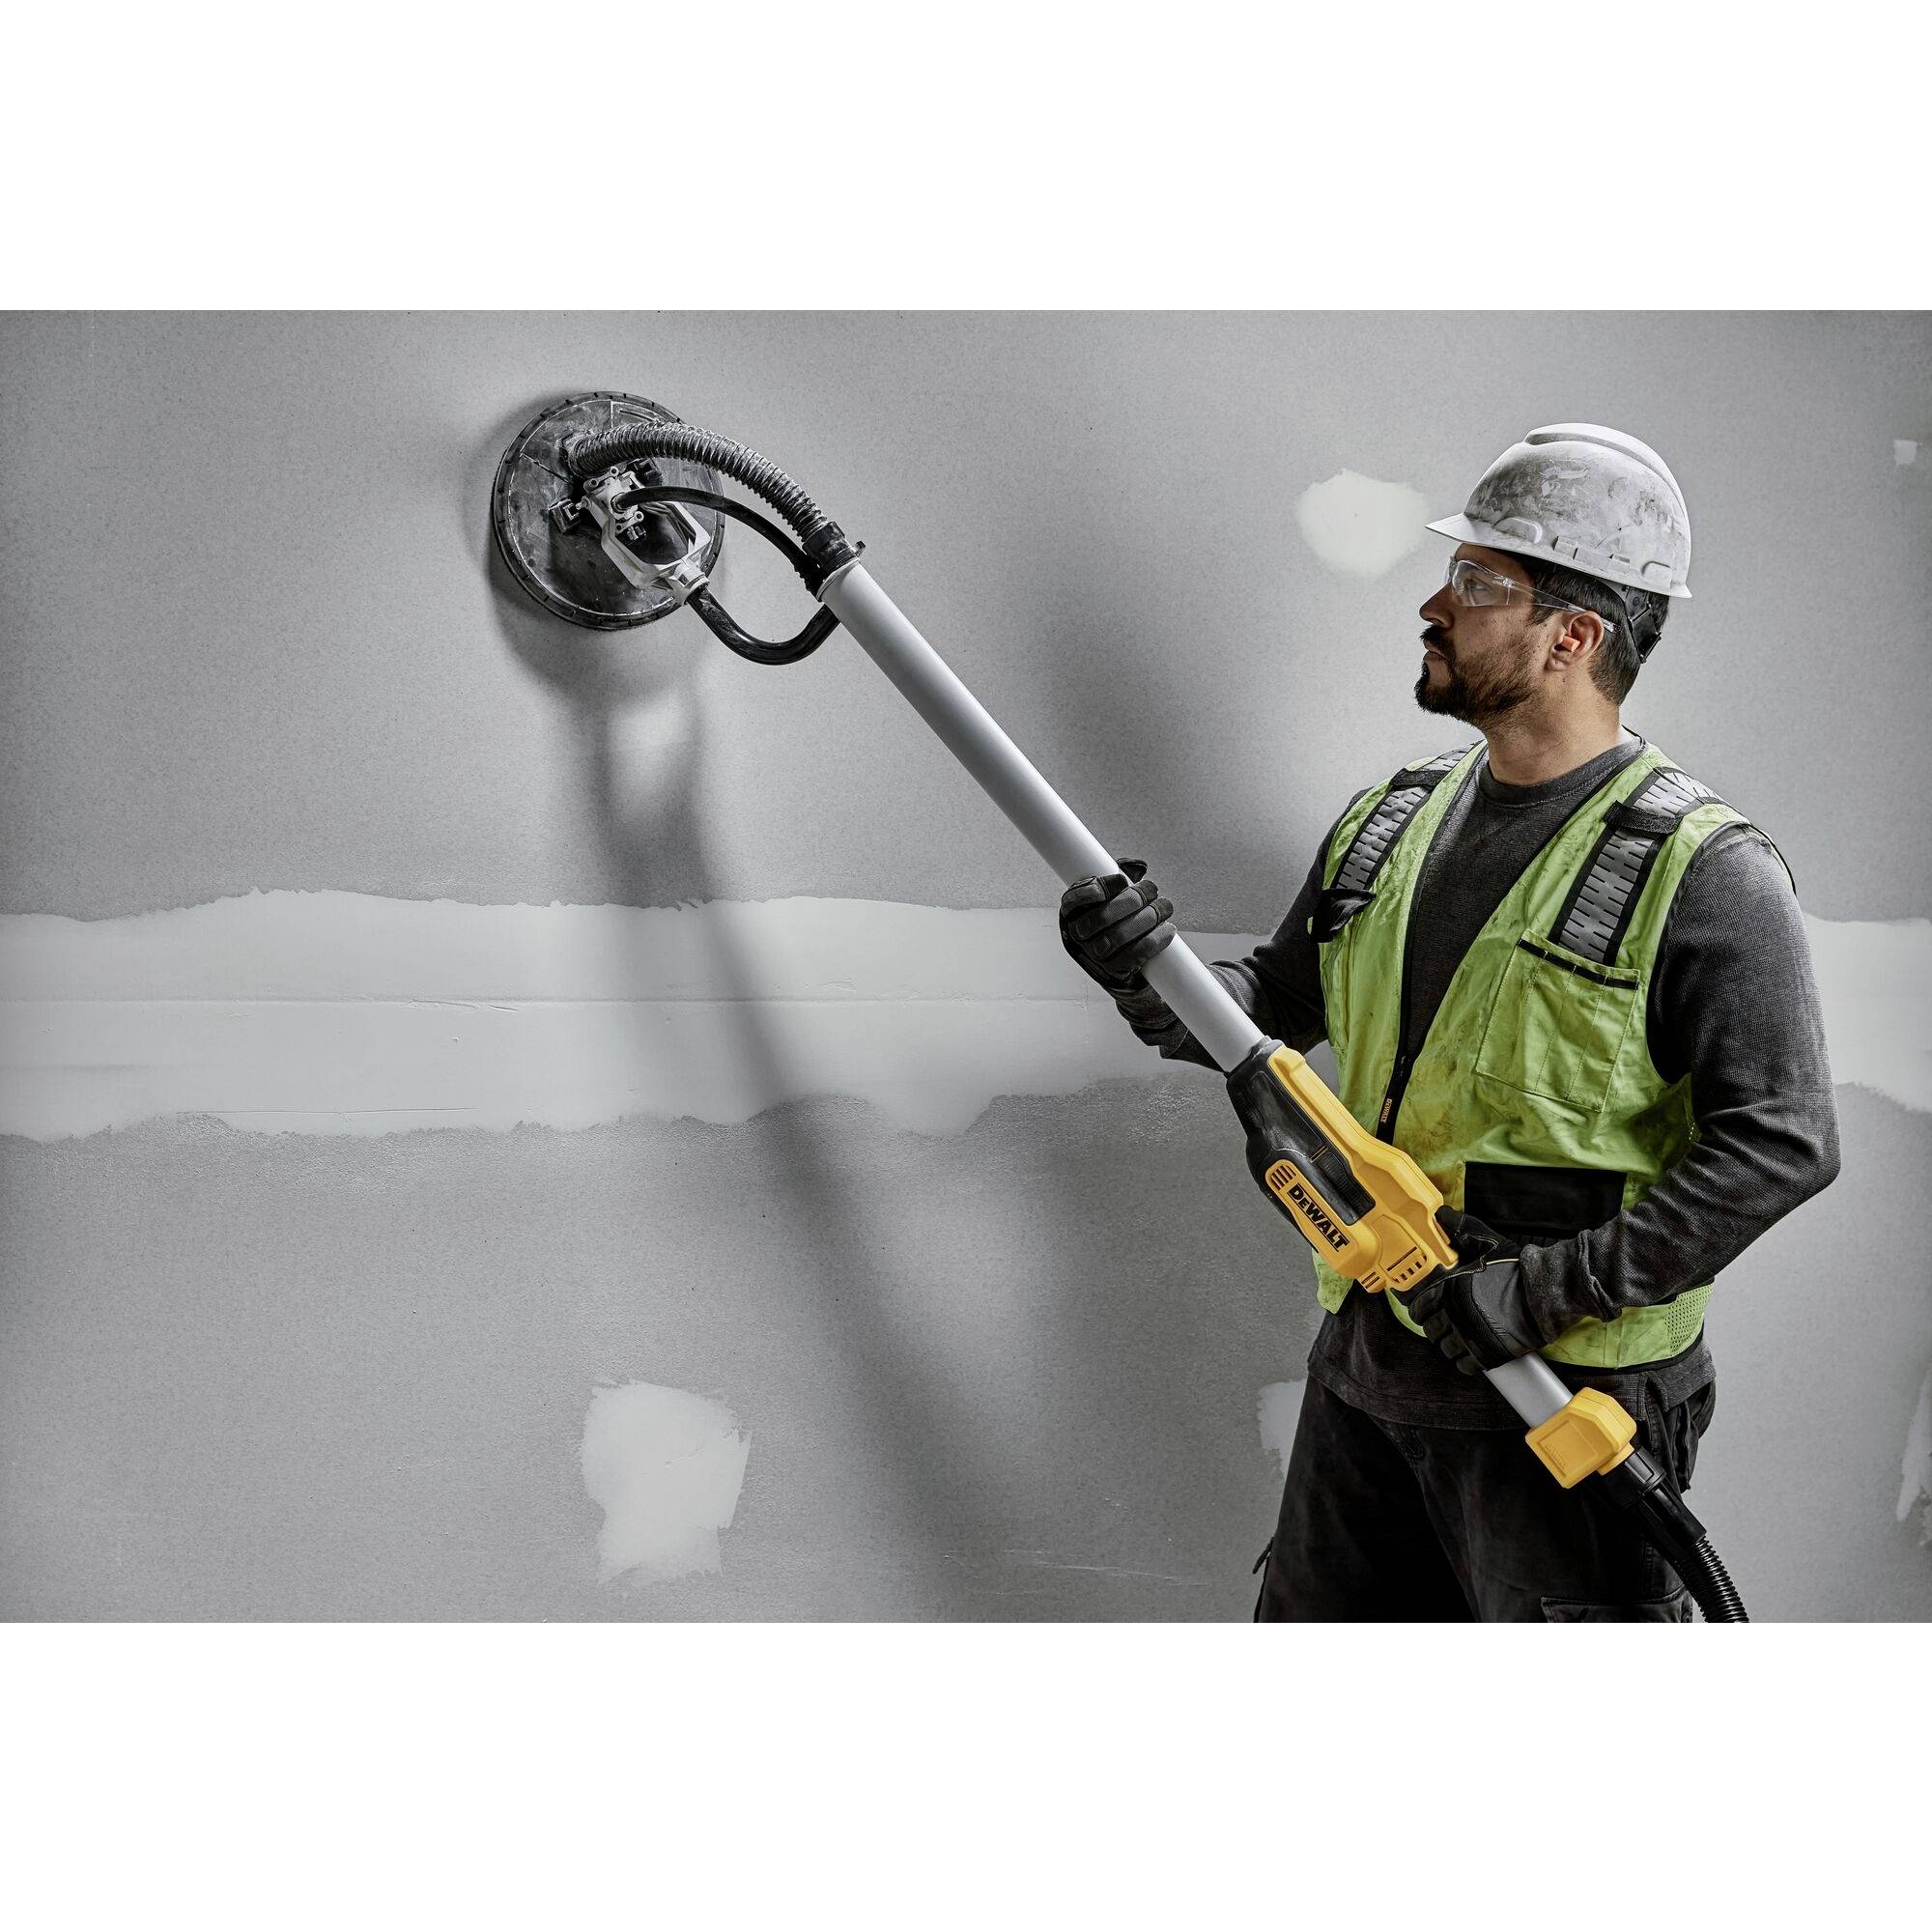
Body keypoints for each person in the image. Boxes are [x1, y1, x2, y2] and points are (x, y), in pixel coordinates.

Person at [1060, 425, 1839, 1621]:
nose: (1434, 605)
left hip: (1557, 1396)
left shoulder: (1705, 871)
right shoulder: (1390, 819)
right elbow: (1261, 1013)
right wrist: (1140, 968)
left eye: (1479, 586)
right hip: (1367, 1375)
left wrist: (1532, 1294)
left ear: (1572, 636)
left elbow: (1781, 1141)